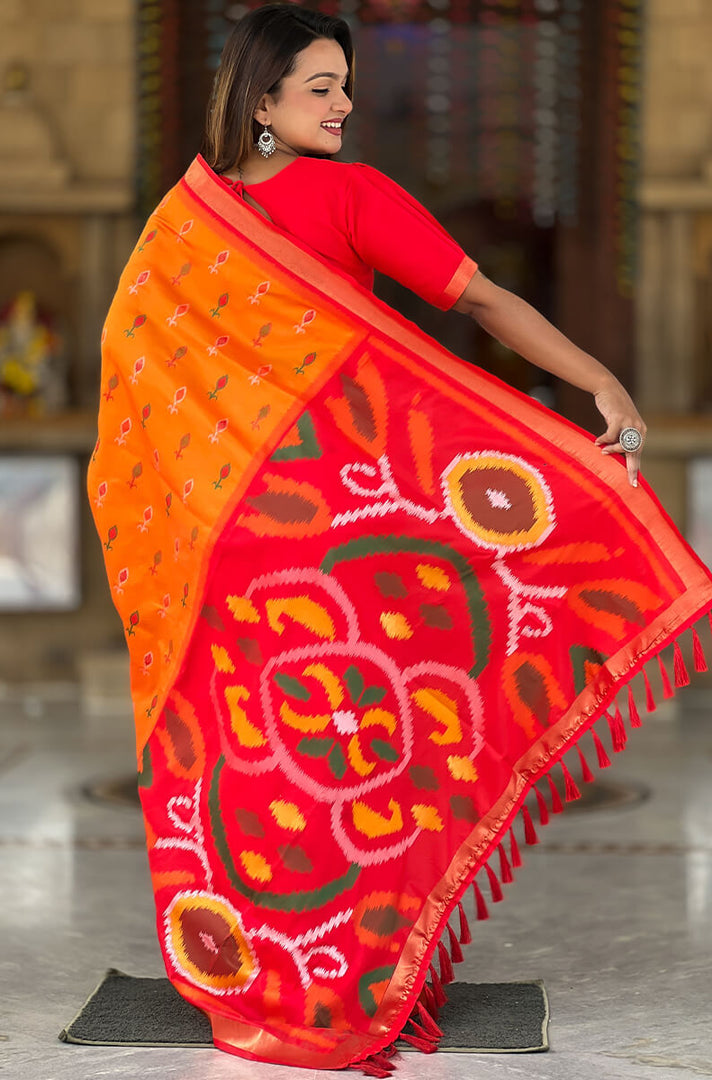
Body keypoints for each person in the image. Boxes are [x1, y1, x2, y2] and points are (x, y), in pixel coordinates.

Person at [88, 5, 712, 1074]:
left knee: (259, 752)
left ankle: (264, 968)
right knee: (361, 746)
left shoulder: (187, 224)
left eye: (344, 82)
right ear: (263, 102)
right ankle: (356, 954)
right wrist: (597, 382)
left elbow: (134, 379)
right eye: (320, 85)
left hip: (231, 549)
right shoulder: (318, 198)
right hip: (312, 544)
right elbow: (483, 302)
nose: (342, 103)